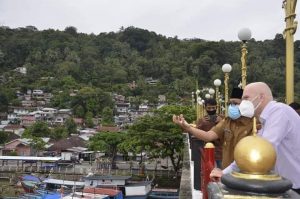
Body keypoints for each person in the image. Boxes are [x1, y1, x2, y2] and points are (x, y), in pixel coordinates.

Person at [210, 82, 300, 194]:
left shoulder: (279, 111)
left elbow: (261, 150)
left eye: (246, 98)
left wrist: (225, 173)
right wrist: (225, 173)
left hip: (294, 186)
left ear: (261, 97)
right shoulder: (265, 119)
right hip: (285, 184)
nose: (243, 103)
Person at [173, 87, 254, 169]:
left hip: (244, 171)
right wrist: (188, 127)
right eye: (230, 103)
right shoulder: (226, 121)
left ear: (245, 104)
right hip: (225, 168)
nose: (232, 106)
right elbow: (208, 136)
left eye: (235, 103)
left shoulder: (254, 124)